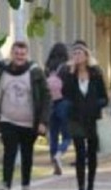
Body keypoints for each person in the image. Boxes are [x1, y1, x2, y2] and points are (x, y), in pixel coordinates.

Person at [0, 40, 51, 190]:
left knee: (27, 153)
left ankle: (26, 185)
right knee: (9, 152)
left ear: (26, 55)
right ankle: (6, 185)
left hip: (29, 122)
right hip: (8, 120)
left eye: (22, 54)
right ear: (11, 54)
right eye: (16, 53)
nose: (19, 57)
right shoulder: (1, 70)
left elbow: (46, 97)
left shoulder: (35, 72)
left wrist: (43, 121)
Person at [60, 40, 108, 190]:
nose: (77, 56)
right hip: (76, 118)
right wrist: (70, 72)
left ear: (87, 56)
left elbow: (104, 97)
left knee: (92, 153)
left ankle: (90, 188)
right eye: (74, 54)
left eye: (80, 53)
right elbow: (65, 94)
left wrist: (96, 104)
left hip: (92, 118)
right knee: (80, 153)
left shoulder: (95, 73)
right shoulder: (69, 75)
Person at [44, 42, 71, 176]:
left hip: (50, 104)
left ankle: (53, 158)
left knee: (53, 134)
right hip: (63, 102)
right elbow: (68, 87)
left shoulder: (47, 67)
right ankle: (59, 153)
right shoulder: (66, 67)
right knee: (67, 135)